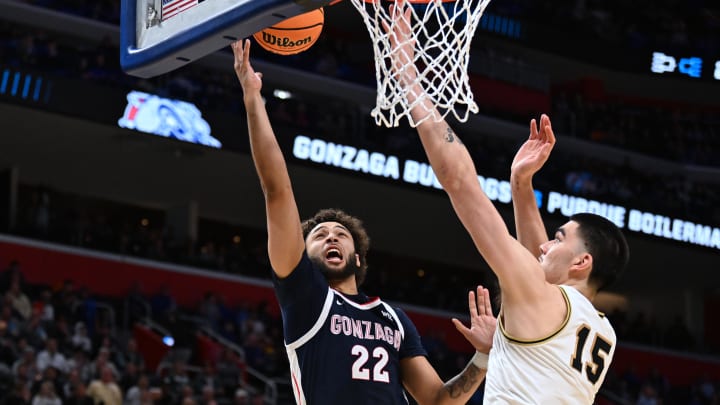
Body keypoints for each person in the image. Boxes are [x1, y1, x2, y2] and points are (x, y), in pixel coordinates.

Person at [231, 38, 496, 405]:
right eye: (320, 236)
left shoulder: (393, 318)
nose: (331, 238)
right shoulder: (304, 296)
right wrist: (252, 100)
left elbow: (438, 401)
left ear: (358, 259)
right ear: (302, 256)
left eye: (340, 235)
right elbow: (277, 190)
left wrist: (482, 358)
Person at [388, 5, 630, 403]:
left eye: (559, 238)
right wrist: (520, 183)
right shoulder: (602, 331)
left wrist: (407, 73)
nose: (545, 245)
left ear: (581, 262)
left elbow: (460, 182)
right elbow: (539, 267)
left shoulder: (544, 300)